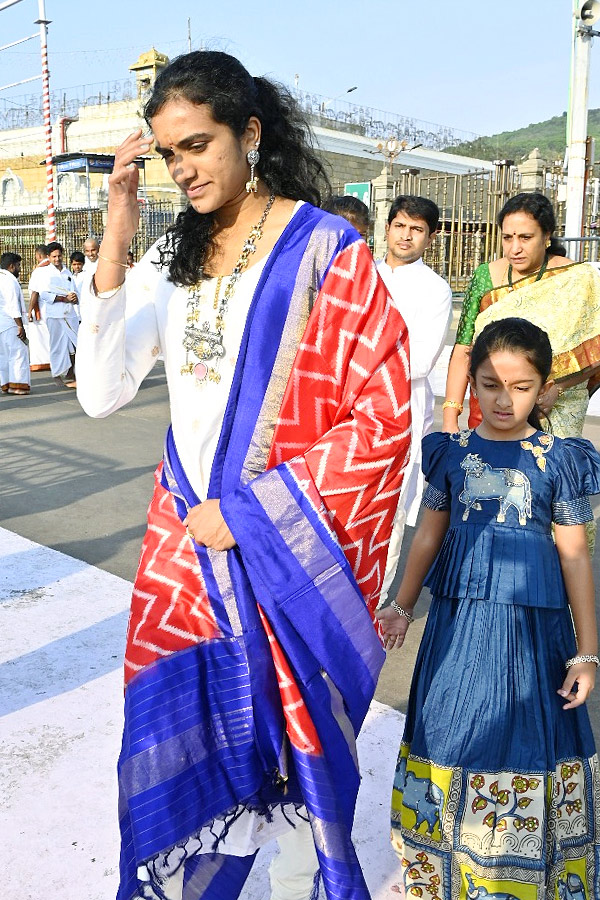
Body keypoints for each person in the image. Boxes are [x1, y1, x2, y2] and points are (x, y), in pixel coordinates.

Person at [76, 50, 411, 900]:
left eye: (198, 145)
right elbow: (102, 392)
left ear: (249, 133)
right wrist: (117, 232)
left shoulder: (325, 251)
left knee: (298, 772)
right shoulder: (168, 257)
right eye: (167, 154)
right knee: (182, 759)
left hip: (286, 551)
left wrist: (256, 513)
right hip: (185, 557)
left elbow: (380, 416)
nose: (182, 168)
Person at [377, 317, 600, 900]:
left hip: (536, 636)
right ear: (470, 383)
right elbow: (427, 536)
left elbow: (575, 558)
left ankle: (517, 880)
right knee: (448, 731)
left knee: (526, 737)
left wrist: (588, 654)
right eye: (490, 384)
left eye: (521, 386)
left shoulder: (561, 460)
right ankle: (441, 873)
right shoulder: (449, 454)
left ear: (545, 388)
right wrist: (400, 605)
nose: (505, 399)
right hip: (457, 630)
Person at [443, 192, 600, 441]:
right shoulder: (487, 276)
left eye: (526, 238)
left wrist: (558, 388)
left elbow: (594, 351)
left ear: (547, 236)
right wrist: (450, 417)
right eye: (507, 238)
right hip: (490, 407)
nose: (515, 248)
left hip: (553, 412)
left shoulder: (577, 278)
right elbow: (464, 347)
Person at [376, 196, 452, 600]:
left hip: (398, 413)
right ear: (386, 228)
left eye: (417, 229)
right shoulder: (361, 275)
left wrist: (356, 362)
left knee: (389, 509)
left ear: (431, 238)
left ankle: (373, 601)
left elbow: (418, 361)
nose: (406, 236)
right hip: (343, 411)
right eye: (400, 226)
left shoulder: (435, 290)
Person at [36, 241, 78, 388]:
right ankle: (56, 373)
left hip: (70, 314)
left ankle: (74, 372)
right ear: (48, 256)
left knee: (76, 343)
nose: (57, 259)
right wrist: (63, 298)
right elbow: (44, 295)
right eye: (54, 256)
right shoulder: (45, 274)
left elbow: (75, 292)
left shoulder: (67, 273)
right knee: (57, 345)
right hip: (55, 315)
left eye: (59, 256)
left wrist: (74, 298)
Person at [0, 252, 30, 395]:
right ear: (11, 266)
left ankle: (6, 385)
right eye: (18, 266)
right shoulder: (10, 281)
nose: (20, 269)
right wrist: (20, 326)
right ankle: (18, 386)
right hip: (11, 324)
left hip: (2, 324)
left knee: (4, 356)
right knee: (18, 354)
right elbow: (13, 305)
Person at [27, 243, 52, 371]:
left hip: (41, 307)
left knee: (39, 336)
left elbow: (34, 292)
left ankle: (41, 362)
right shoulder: (54, 268)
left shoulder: (39, 270)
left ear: (38, 255)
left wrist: (30, 310)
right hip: (54, 306)